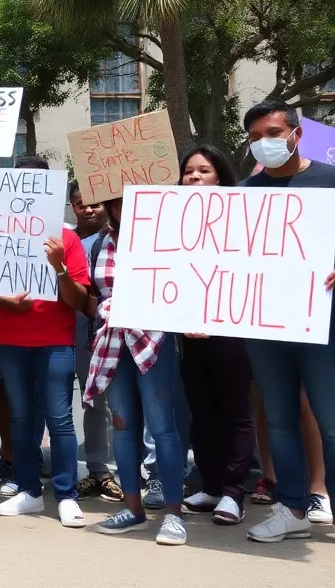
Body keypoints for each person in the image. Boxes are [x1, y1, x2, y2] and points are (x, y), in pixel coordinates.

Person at [237, 100, 335, 543]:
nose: (265, 143)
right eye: (256, 137)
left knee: (331, 420)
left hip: (322, 325)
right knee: (278, 420)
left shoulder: (331, 181)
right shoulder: (242, 196)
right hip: (265, 326)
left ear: (296, 133)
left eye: (273, 133)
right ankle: (291, 507)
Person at [0, 157, 89, 527]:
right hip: (11, 340)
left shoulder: (68, 239)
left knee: (60, 418)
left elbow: (78, 301)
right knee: (20, 417)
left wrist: (60, 266)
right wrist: (3, 300)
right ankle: (29, 490)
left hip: (55, 341)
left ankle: (66, 495)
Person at [84, 196, 187, 545]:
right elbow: (94, 295)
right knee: (123, 426)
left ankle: (173, 514)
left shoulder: (166, 238)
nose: (123, 204)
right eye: (116, 199)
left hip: (153, 341)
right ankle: (133, 509)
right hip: (114, 343)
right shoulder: (102, 242)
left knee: (162, 427)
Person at [170, 145, 255, 526]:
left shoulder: (242, 218)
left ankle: (235, 492)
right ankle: (211, 484)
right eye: (189, 171)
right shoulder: (171, 220)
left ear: (220, 175)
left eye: (203, 171)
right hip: (188, 332)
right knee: (201, 412)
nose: (195, 177)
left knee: (235, 412)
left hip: (231, 329)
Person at [67, 180, 119, 502]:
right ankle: (98, 470)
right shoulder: (63, 239)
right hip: (72, 331)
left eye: (94, 203)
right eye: (80, 203)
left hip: (111, 330)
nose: (88, 209)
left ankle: (128, 473)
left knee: (120, 402)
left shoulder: (117, 240)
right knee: (92, 401)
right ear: (72, 206)